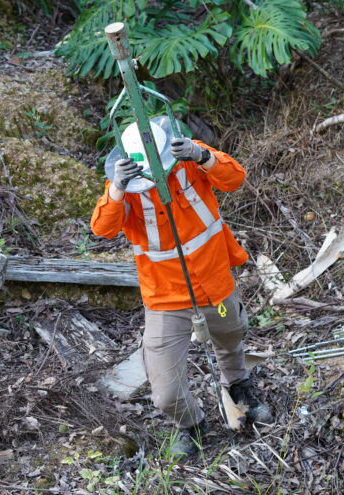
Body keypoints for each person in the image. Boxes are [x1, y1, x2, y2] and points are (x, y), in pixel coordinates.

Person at [90, 128, 274, 460]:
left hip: (214, 286)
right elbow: (102, 228)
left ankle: (239, 388)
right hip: (165, 299)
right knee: (166, 394)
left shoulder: (190, 156)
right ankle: (192, 425)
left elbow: (234, 178)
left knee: (229, 337)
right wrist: (117, 188)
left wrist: (202, 156)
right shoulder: (124, 186)